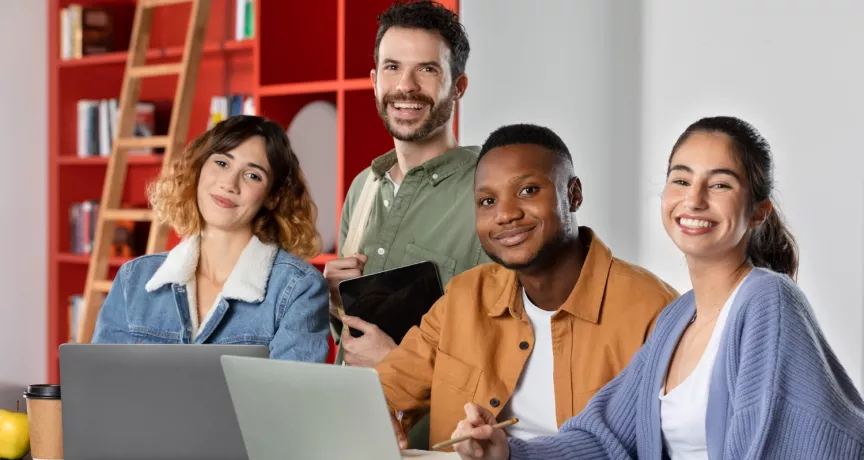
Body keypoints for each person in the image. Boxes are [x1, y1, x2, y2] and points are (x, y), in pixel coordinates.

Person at [450, 116, 864, 460]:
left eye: (720, 184)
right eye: (681, 180)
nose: (694, 200)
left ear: (758, 212)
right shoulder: (678, 319)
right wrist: (508, 452)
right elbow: (606, 438)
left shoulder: (766, 301)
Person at [376, 123, 679, 449]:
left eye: (528, 191)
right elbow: (384, 391)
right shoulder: (464, 297)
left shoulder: (654, 310)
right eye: (487, 201)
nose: (505, 214)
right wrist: (381, 417)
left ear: (573, 194)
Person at [325, 0, 491, 368]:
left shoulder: (489, 190)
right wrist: (338, 301)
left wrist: (400, 364)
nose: (406, 86)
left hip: (436, 427)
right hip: (354, 416)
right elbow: (351, 345)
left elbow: (509, 348)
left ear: (458, 86)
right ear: (374, 80)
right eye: (392, 67)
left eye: (427, 69)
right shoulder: (363, 188)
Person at [92, 115, 331, 363]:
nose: (229, 184)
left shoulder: (298, 289)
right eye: (222, 163)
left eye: (252, 175)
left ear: (273, 197)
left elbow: (291, 397)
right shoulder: (133, 279)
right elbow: (99, 385)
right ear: (199, 169)